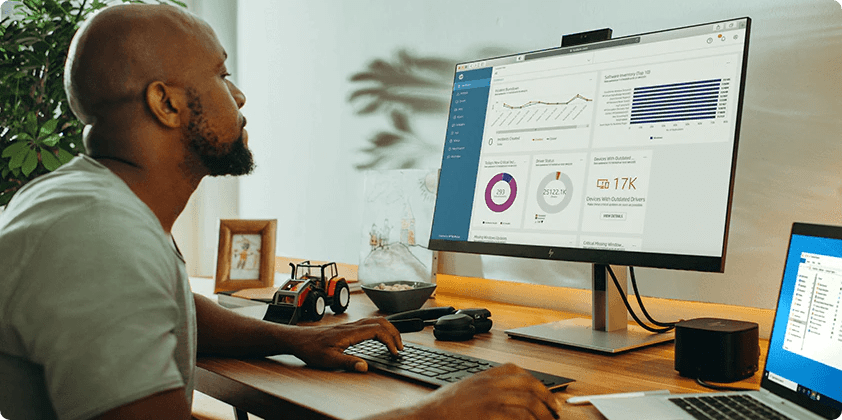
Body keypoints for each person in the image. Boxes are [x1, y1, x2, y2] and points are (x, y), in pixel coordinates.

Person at [0, 4, 562, 420]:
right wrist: (429, 415)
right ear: (166, 103)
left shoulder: (85, 203)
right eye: (221, 75)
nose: (239, 96)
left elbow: (172, 307)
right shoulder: (102, 243)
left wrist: (293, 340)